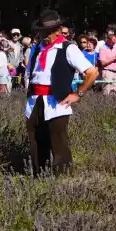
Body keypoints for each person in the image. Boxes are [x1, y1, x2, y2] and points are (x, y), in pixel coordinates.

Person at [26, 9, 98, 175]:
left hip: (57, 101)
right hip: (35, 101)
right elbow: (30, 74)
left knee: (58, 142)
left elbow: (92, 73)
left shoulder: (68, 48)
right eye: (43, 31)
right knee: (36, 141)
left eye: (49, 31)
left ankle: (62, 180)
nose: (46, 35)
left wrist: (78, 93)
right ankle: (40, 178)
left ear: (58, 30)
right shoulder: (36, 48)